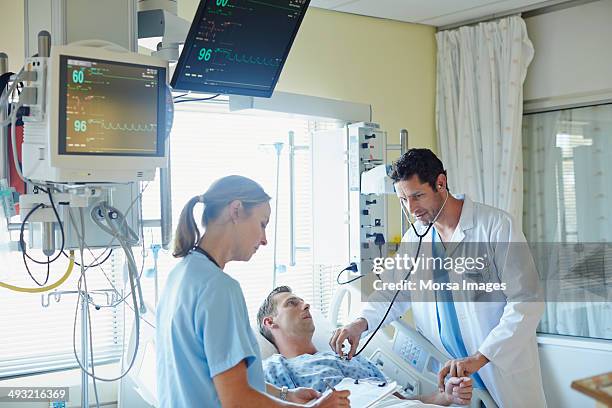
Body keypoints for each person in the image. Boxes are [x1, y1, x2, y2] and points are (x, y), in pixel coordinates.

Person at [330, 149, 547, 408]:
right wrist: (360, 323)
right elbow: (392, 293)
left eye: (417, 196)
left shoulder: (495, 227)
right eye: (403, 200)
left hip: (497, 365)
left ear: (441, 183)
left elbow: (526, 301)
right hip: (449, 377)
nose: (411, 209)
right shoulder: (415, 239)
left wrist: (480, 357)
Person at [156, 175, 350, 407]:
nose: (265, 239)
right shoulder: (219, 288)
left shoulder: (179, 277)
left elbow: (220, 376)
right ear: (236, 210)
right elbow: (236, 400)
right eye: (262, 224)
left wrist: (285, 394)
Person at [258, 286, 473, 407]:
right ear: (270, 322)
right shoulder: (274, 370)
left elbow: (400, 401)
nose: (306, 305)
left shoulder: (350, 358)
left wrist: (445, 396)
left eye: (302, 300)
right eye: (292, 303)